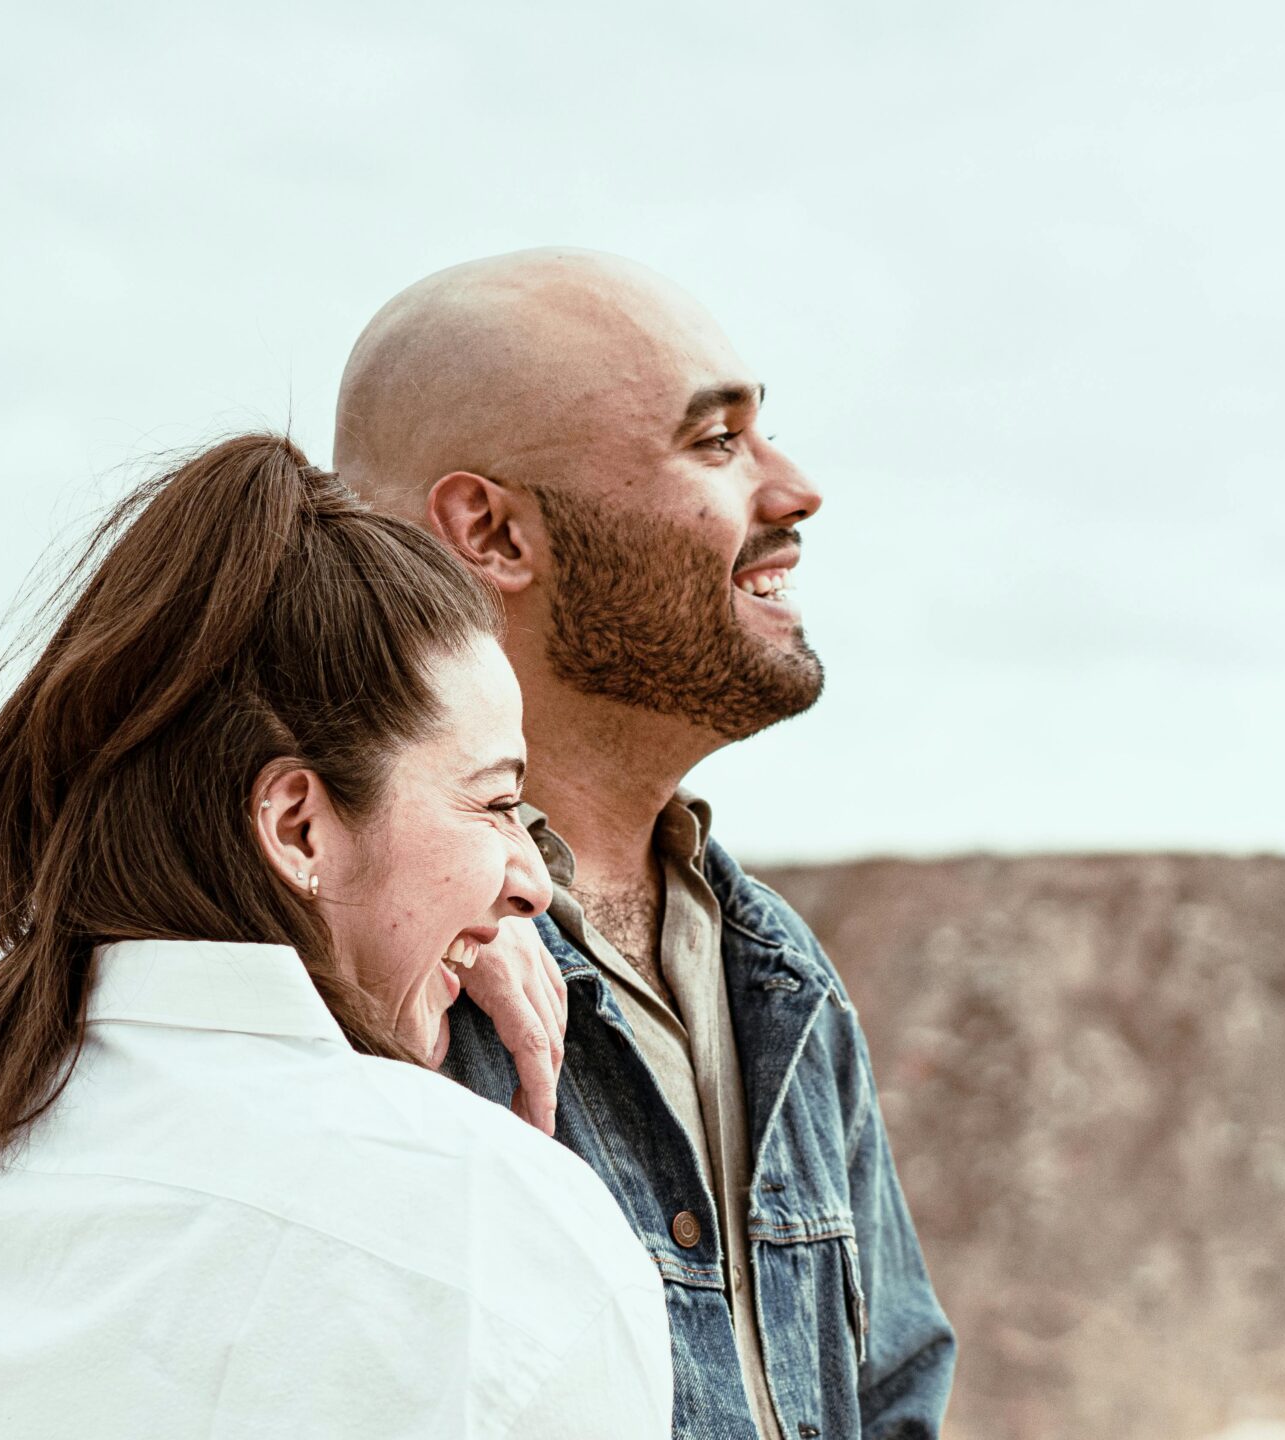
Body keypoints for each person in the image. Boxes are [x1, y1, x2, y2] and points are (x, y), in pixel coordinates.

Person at [0, 436, 670, 1439]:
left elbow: (6, 903)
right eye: (499, 803)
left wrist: (423, 878)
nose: (530, 882)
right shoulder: (492, 1221)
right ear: (296, 825)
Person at [335, 249, 956, 1440]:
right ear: (492, 532)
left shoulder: (779, 975)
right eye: (716, 443)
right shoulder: (344, 964)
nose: (796, 491)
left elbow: (892, 1398)